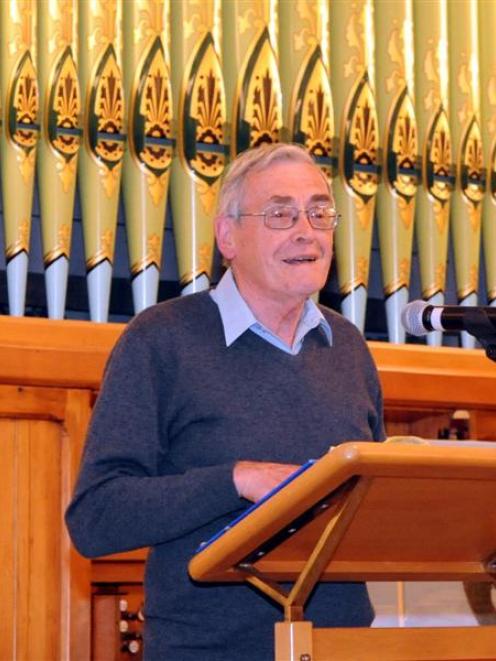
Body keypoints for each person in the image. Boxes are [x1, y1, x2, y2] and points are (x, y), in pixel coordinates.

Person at [66, 142, 385, 660]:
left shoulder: (347, 347)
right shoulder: (161, 340)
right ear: (228, 236)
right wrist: (236, 480)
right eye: (281, 213)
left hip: (339, 648)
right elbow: (96, 518)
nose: (307, 229)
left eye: (320, 212)